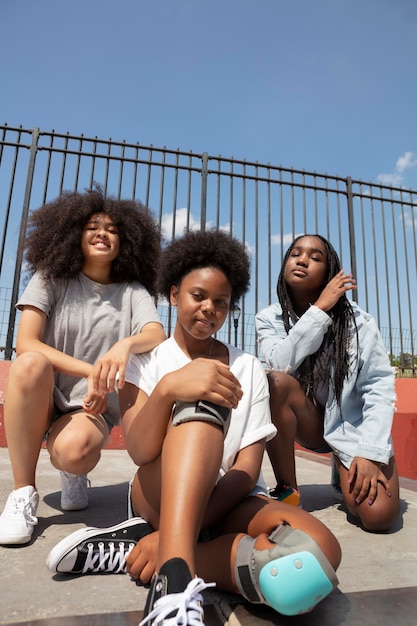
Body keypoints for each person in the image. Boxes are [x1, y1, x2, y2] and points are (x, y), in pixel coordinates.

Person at [46, 229, 341, 625]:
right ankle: (172, 590)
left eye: (221, 302)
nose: (209, 309)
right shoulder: (145, 361)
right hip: (158, 493)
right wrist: (170, 388)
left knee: (320, 554)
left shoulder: (247, 366)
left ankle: (157, 549)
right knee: (202, 403)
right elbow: (140, 450)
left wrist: (178, 530)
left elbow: (246, 470)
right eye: (197, 296)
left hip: (226, 498)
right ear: (172, 295)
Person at [0, 187, 166, 546]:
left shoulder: (132, 290)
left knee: (74, 454)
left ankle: (72, 475)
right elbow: (26, 343)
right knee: (29, 364)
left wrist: (125, 344)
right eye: (93, 226)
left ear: (127, 242)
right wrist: (92, 371)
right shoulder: (50, 278)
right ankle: (22, 492)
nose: (102, 233)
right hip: (43, 396)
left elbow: (156, 333)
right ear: (73, 233)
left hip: (89, 409)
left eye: (112, 229)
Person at [255, 234, 401, 532]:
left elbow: (379, 387)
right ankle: (288, 489)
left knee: (378, 518)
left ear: (329, 271)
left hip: (352, 428)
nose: (302, 259)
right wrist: (318, 311)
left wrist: (369, 451)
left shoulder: (359, 321)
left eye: (315, 257)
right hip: (309, 421)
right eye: (295, 253)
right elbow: (279, 363)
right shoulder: (269, 318)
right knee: (276, 382)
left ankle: (343, 467)